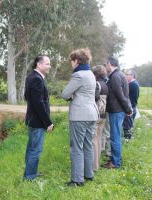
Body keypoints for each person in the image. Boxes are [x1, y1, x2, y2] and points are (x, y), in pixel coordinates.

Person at [61, 48, 98, 186]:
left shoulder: (79, 75)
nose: (71, 63)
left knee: (76, 147)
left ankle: (77, 180)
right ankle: (89, 174)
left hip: (80, 115)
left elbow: (65, 94)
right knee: (88, 145)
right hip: (92, 114)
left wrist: (71, 95)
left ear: (76, 60)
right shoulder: (91, 74)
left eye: (72, 60)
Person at [23, 55, 54, 181]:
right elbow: (38, 103)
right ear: (39, 65)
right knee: (35, 149)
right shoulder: (36, 79)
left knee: (32, 148)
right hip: (37, 121)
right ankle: (30, 176)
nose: (49, 66)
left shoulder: (32, 77)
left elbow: (27, 97)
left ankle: (30, 173)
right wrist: (48, 122)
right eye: (47, 64)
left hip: (33, 119)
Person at [102, 56, 133, 169]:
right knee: (115, 136)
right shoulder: (120, 75)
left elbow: (120, 95)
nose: (106, 67)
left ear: (110, 64)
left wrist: (128, 109)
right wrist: (128, 108)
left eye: (106, 64)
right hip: (118, 110)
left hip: (116, 110)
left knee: (115, 137)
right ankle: (114, 160)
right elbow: (125, 95)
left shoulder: (115, 76)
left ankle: (115, 163)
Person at [92, 65, 109, 171]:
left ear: (95, 74)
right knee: (98, 140)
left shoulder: (97, 84)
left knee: (93, 140)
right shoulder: (105, 84)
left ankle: (93, 167)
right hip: (103, 115)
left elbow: (95, 97)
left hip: (96, 115)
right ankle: (97, 165)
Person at [122, 69, 140, 140]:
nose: (125, 76)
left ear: (132, 76)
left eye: (127, 74)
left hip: (130, 108)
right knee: (128, 126)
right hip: (132, 107)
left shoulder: (133, 85)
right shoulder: (133, 84)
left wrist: (128, 109)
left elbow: (131, 99)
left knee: (127, 126)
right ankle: (128, 140)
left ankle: (128, 142)